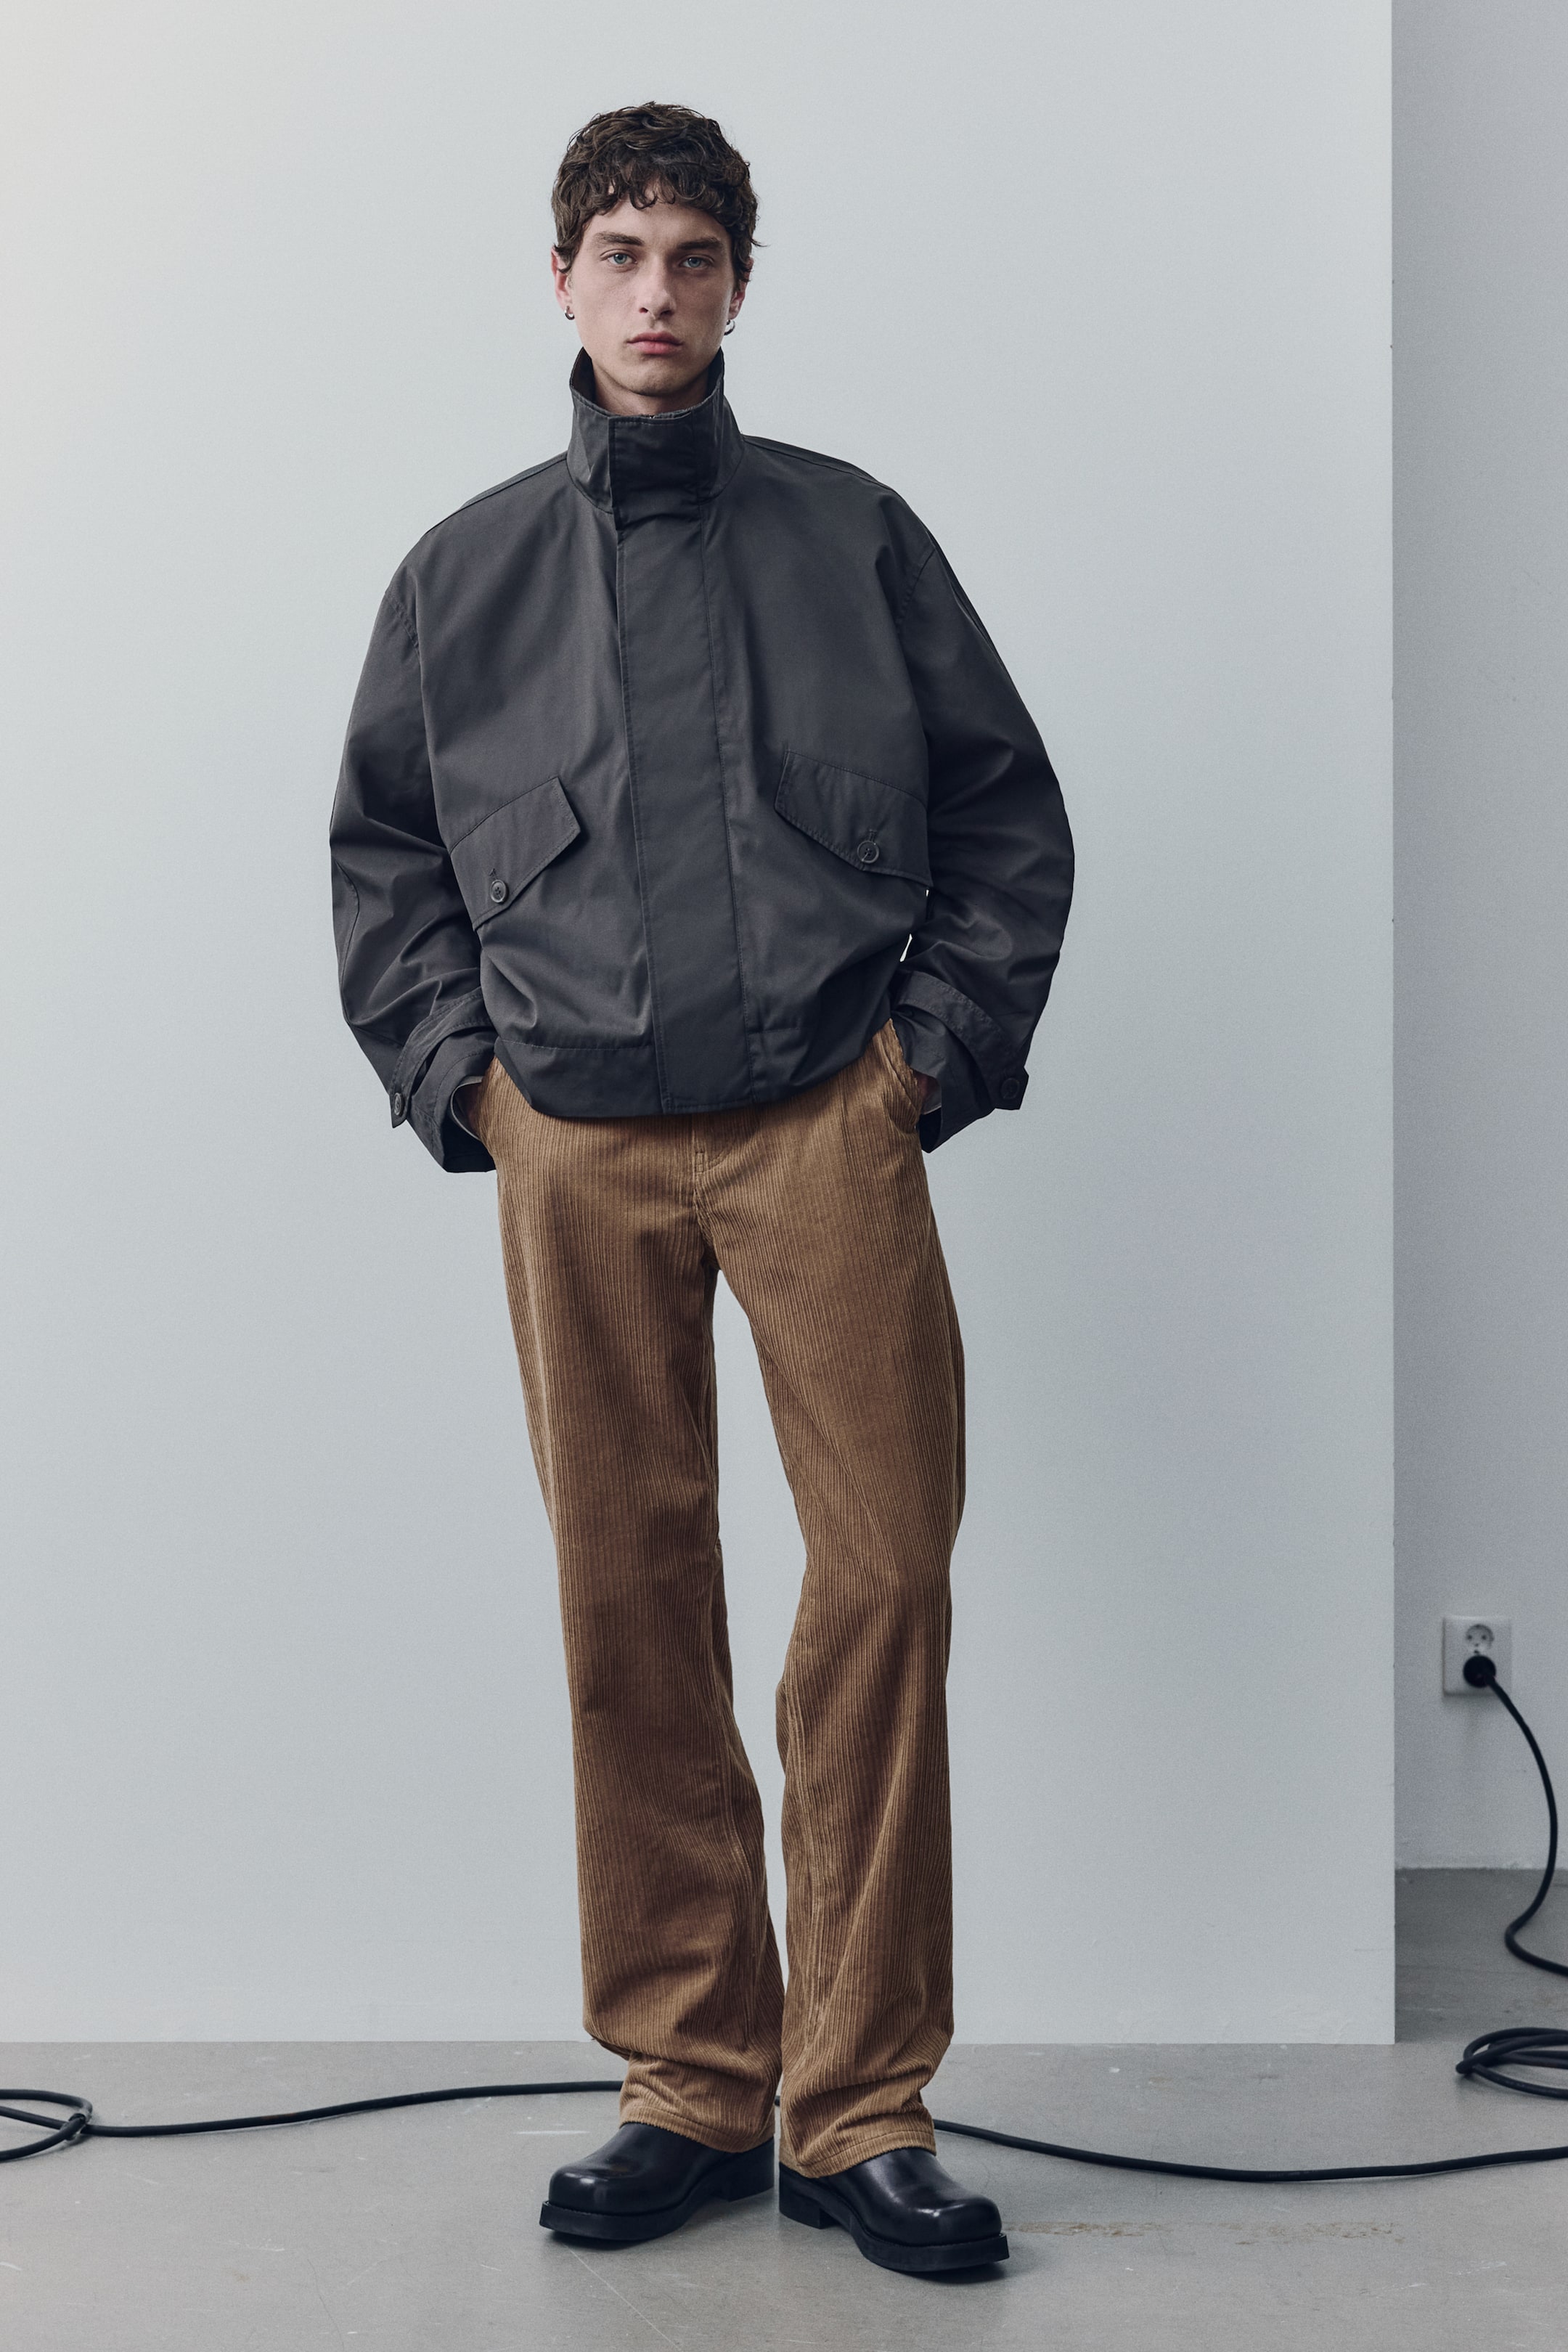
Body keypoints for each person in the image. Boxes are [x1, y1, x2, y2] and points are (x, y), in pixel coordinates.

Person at [329, 100, 1073, 2278]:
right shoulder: (461, 576)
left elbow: (1005, 814)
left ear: (742, 287)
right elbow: (384, 856)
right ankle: (691, 2078)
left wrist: (928, 1059)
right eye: (621, 254)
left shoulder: (856, 536)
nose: (656, 295)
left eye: (696, 258)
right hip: (571, 1141)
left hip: (824, 1121)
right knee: (628, 1595)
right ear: (561, 279)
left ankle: (860, 2107)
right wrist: (468, 1087)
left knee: (888, 1578)